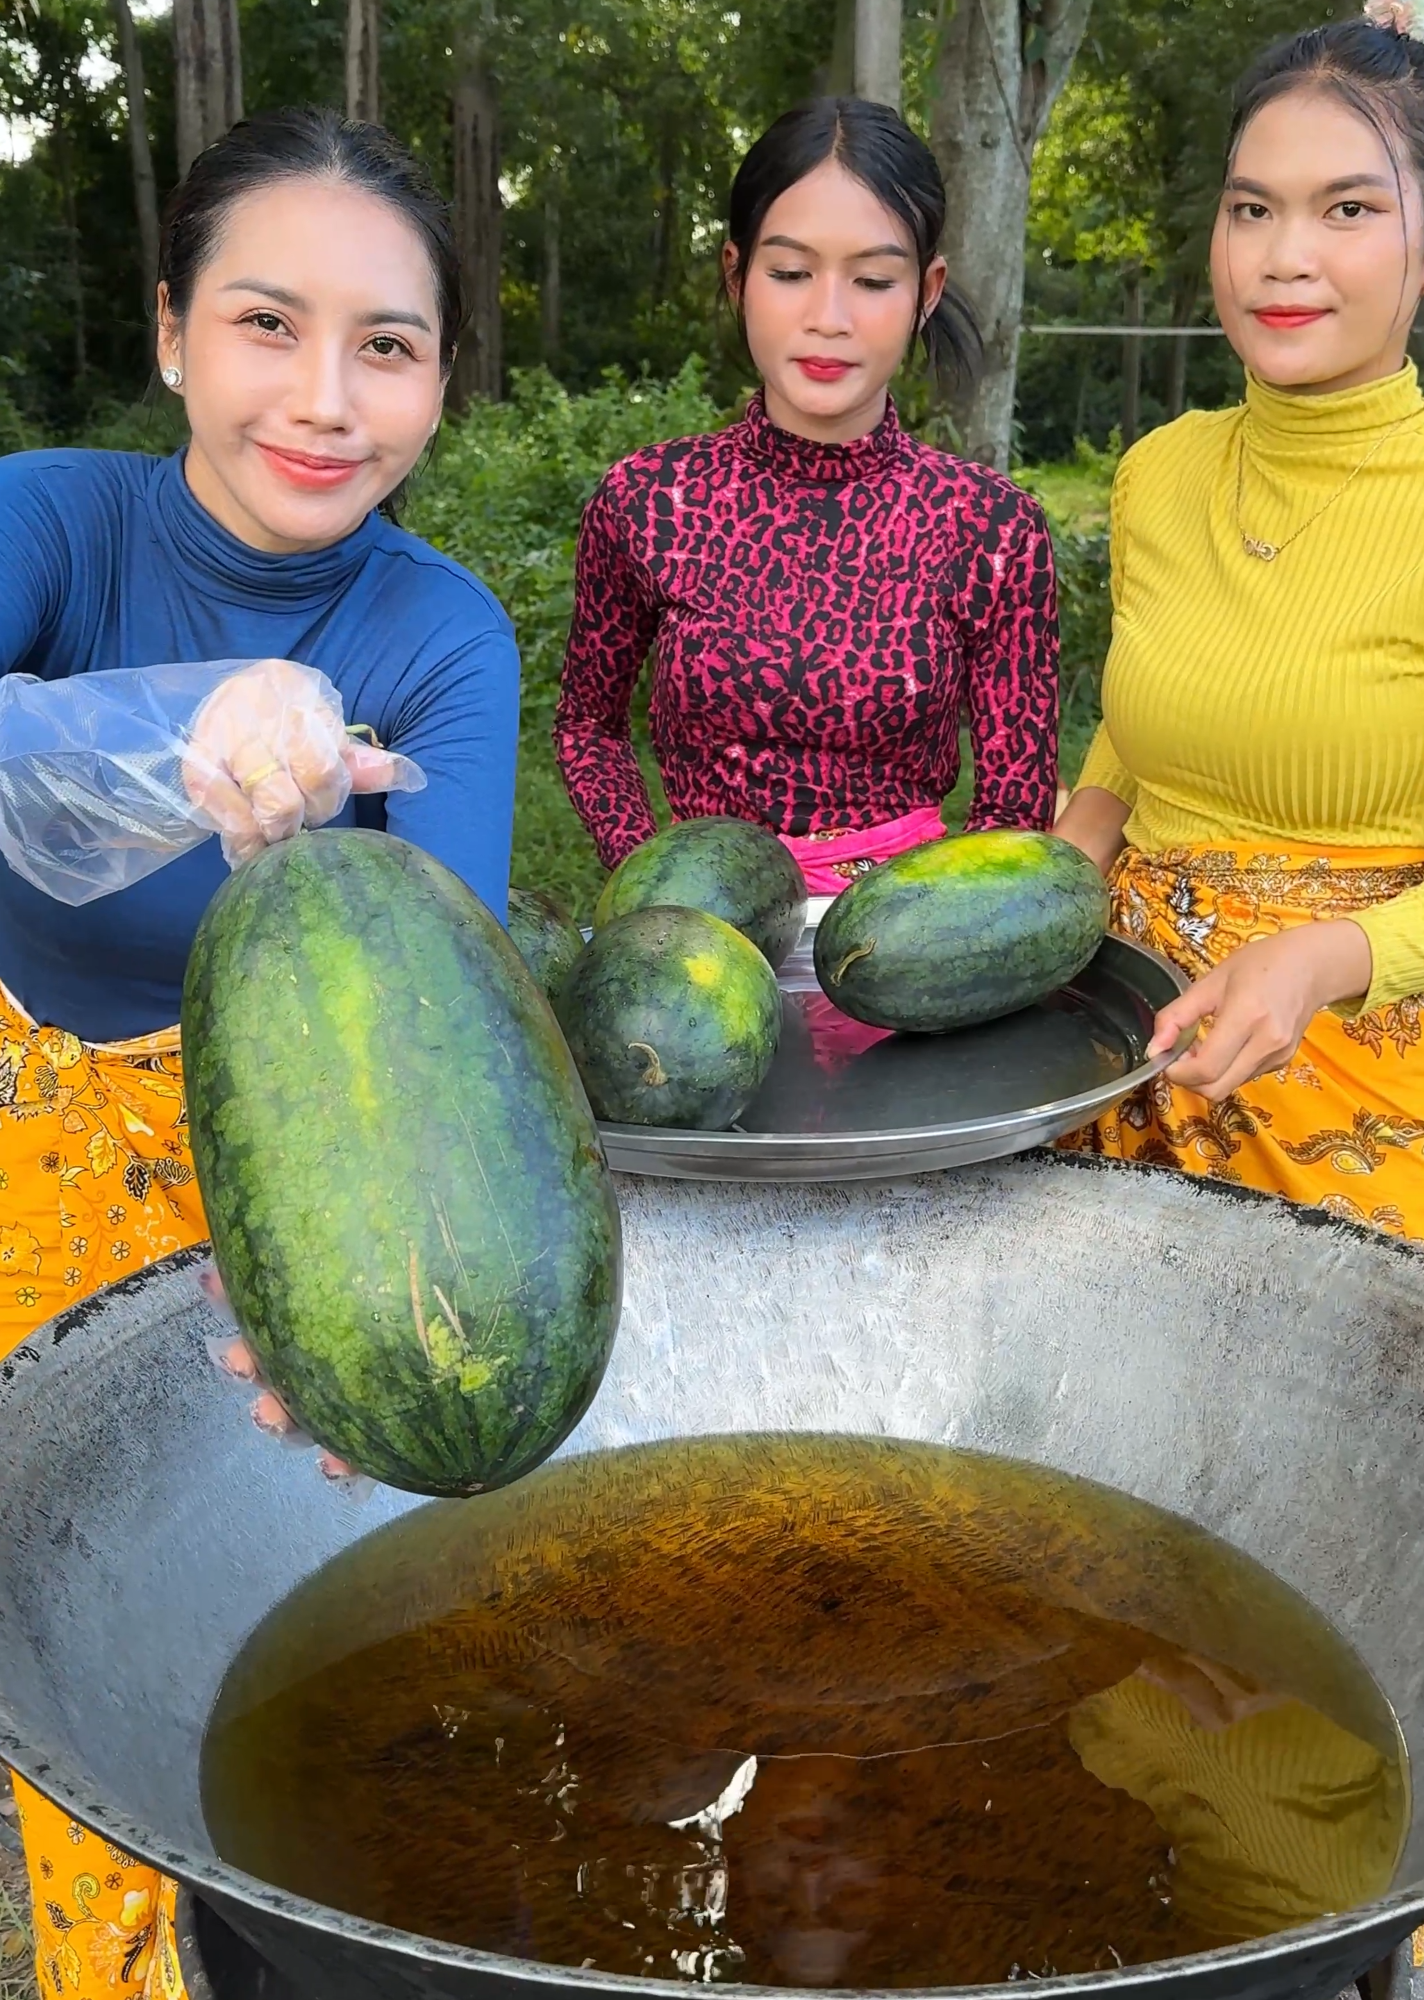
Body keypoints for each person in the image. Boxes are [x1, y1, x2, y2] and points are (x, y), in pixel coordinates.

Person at [0, 106, 520, 2000]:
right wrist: (170, 723)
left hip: (290, 1191)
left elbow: (438, 1019)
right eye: (264, 325)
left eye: (388, 344)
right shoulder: (48, 519)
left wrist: (365, 1316)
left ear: (445, 382)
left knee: (307, 1653)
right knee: (74, 1665)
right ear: (168, 333)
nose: (325, 399)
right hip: (27, 1151)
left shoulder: (445, 638)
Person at [1056, 0, 1424, 1277]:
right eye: (1251, 208)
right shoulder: (1160, 473)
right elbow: (1136, 733)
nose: (1280, 257)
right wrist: (1060, 868)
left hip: (1366, 1080)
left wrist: (1317, 959)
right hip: (1125, 1042)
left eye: (1347, 210)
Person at [553, 97, 1059, 900]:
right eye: (789, 273)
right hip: (700, 940)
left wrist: (944, 939)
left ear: (927, 290)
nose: (829, 317)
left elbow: (1013, 807)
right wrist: (655, 876)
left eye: (872, 279)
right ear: (737, 275)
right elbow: (587, 727)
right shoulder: (650, 501)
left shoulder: (991, 527)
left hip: (909, 952)